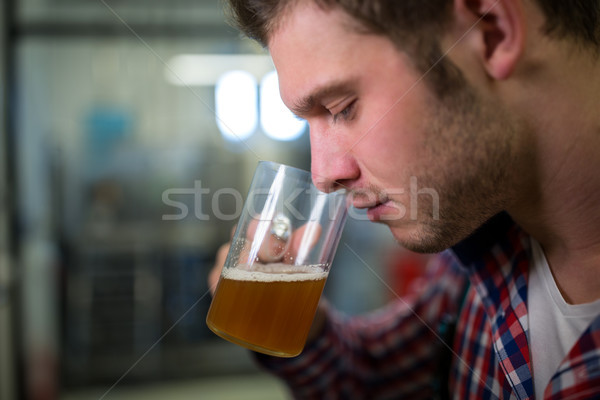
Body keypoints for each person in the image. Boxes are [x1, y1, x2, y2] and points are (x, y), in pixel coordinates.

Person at [210, 0, 600, 398]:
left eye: (342, 108)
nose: (323, 175)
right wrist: (310, 332)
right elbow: (383, 376)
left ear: (490, 31)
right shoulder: (481, 248)